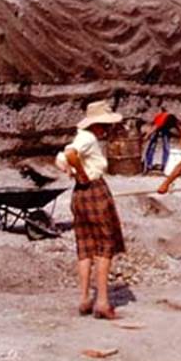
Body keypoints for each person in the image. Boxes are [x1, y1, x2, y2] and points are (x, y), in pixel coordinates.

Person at [55, 100, 127, 320]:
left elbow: (61, 159)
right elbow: (70, 155)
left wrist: (74, 172)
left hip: (80, 194)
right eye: (105, 124)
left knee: (85, 245)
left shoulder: (81, 138)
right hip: (94, 190)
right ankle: (102, 301)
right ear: (97, 124)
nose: (107, 129)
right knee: (104, 245)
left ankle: (85, 297)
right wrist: (82, 173)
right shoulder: (88, 138)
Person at [142, 106, 181, 173]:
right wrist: (147, 136)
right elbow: (154, 128)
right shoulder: (161, 119)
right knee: (152, 145)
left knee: (166, 147)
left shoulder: (174, 121)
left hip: (165, 128)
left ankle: (165, 165)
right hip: (157, 127)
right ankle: (148, 164)